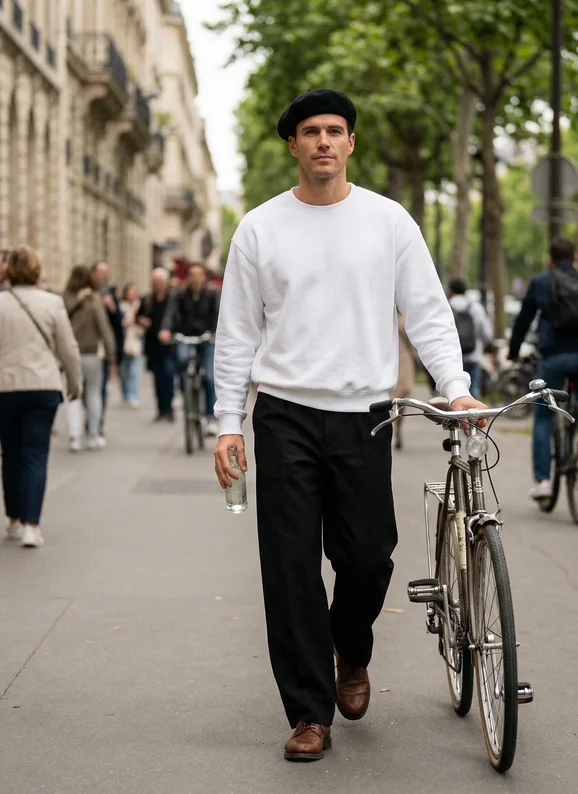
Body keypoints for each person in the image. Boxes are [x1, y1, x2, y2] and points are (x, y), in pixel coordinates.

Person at [212, 88, 484, 762]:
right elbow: (236, 333)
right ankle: (309, 712)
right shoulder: (259, 227)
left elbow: (426, 313)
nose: (324, 141)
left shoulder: (389, 222)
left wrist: (456, 389)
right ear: (294, 145)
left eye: (336, 130)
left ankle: (351, 647)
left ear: (351, 143)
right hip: (284, 415)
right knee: (290, 567)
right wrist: (227, 423)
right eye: (311, 132)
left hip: (364, 415)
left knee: (368, 557)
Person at [509, 236, 578, 500]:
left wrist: (513, 351)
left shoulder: (542, 282)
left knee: (543, 414)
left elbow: (523, 320)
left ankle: (543, 481)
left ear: (551, 260)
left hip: (555, 356)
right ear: (575, 257)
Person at [0, 246, 82, 547]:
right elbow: (68, 349)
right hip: (43, 386)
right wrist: (75, 384)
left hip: (5, 388)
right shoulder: (52, 303)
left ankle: (13, 518)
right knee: (35, 454)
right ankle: (32, 526)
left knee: (10, 454)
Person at [159, 262, 221, 435]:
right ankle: (182, 389)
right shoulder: (179, 294)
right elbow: (170, 313)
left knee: (209, 377)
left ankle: (210, 418)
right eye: (192, 274)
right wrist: (165, 329)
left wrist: (217, 332)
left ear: (204, 277)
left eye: (199, 274)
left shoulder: (213, 294)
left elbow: (219, 314)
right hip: (184, 336)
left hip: (207, 337)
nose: (196, 278)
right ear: (187, 277)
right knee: (182, 359)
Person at [63, 265, 117, 451]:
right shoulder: (93, 300)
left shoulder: (64, 298)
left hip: (69, 354)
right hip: (91, 353)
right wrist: (112, 356)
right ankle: (93, 435)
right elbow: (104, 328)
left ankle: (74, 437)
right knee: (94, 393)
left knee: (73, 395)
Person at [137, 268, 176, 421]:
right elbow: (139, 315)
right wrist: (141, 320)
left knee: (168, 375)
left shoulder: (173, 299)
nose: (157, 285)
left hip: (169, 344)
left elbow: (176, 317)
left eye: (160, 282)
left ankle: (169, 408)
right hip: (152, 343)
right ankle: (161, 409)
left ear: (166, 282)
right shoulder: (148, 299)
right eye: (155, 282)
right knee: (158, 378)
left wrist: (169, 331)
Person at [91, 261, 123, 438]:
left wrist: (111, 307)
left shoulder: (111, 293)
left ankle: (97, 422)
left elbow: (117, 323)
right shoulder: (86, 294)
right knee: (88, 389)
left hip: (104, 347)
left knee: (101, 387)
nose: (103, 276)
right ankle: (92, 418)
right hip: (87, 346)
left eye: (105, 272)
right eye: (100, 272)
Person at [448, 277, 492, 400]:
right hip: (473, 354)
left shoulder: (446, 307)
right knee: (473, 390)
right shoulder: (476, 308)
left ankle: (453, 418)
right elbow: (486, 332)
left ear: (450, 291)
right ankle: (474, 418)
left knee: (452, 393)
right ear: (465, 291)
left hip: (452, 357)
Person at [389, 311, 415, 451]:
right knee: (401, 400)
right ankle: (395, 432)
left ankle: (394, 432)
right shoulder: (403, 320)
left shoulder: (385, 317)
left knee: (394, 399)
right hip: (402, 359)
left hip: (394, 359)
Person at [119, 283, 143, 408]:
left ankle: (134, 396)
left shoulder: (140, 305)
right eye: (130, 291)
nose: (132, 294)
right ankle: (126, 393)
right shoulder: (121, 306)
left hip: (136, 339)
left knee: (134, 370)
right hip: (123, 340)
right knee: (123, 370)